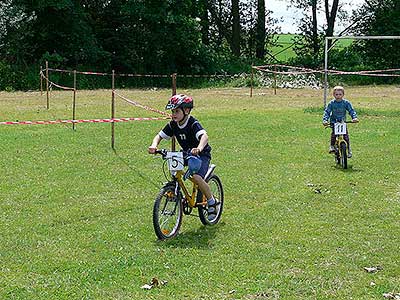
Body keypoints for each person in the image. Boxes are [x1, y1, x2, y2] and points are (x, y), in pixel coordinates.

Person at [148, 94, 217, 221]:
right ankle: (175, 191)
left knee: (196, 177)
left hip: (201, 154)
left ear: (186, 111)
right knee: (175, 172)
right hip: (186, 153)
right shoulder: (173, 124)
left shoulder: (192, 123)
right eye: (172, 111)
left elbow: (204, 136)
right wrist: (154, 145)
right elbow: (159, 135)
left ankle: (212, 201)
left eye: (177, 111)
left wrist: (199, 148)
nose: (173, 114)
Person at [323, 86, 359, 158]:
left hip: (343, 122)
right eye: (336, 94)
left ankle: (348, 150)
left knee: (346, 136)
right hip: (334, 122)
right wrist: (325, 120)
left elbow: (351, 111)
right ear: (333, 95)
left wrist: (354, 117)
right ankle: (332, 146)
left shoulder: (346, 103)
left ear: (343, 95)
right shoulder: (331, 103)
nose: (338, 96)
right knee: (334, 134)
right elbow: (327, 112)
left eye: (340, 94)